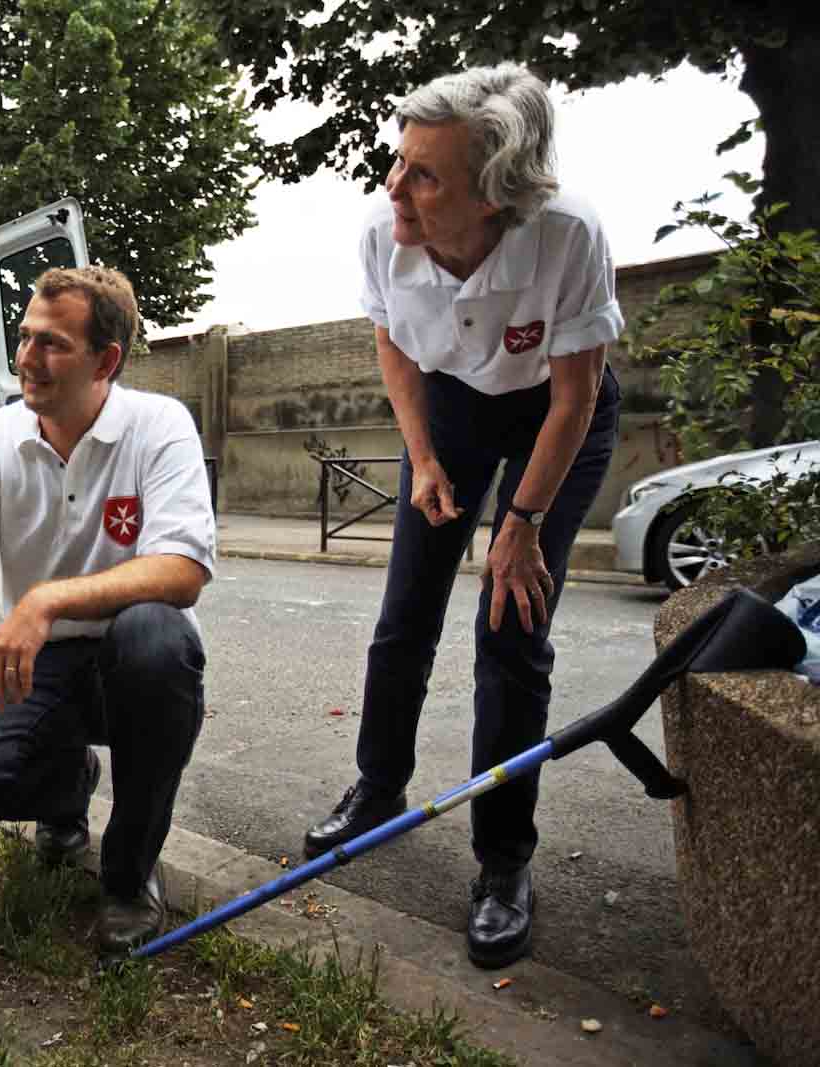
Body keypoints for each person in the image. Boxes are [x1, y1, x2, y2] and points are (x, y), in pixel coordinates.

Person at [301, 64, 624, 970]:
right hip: (448, 408)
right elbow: (394, 343)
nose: (394, 187)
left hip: (555, 416)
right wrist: (426, 459)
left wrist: (519, 522)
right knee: (405, 613)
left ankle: (504, 859)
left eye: (425, 174)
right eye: (397, 163)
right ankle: (378, 787)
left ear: (495, 194)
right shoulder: (384, 228)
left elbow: (577, 396)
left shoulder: (566, 234)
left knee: (511, 632)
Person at [0, 266, 215, 956]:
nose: (26, 358)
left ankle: (130, 878)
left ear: (106, 360)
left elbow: (184, 569)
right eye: (24, 337)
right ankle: (67, 788)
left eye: (52, 344)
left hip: (134, 664)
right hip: (44, 668)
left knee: (154, 636)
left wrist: (46, 597)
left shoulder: (159, 426)